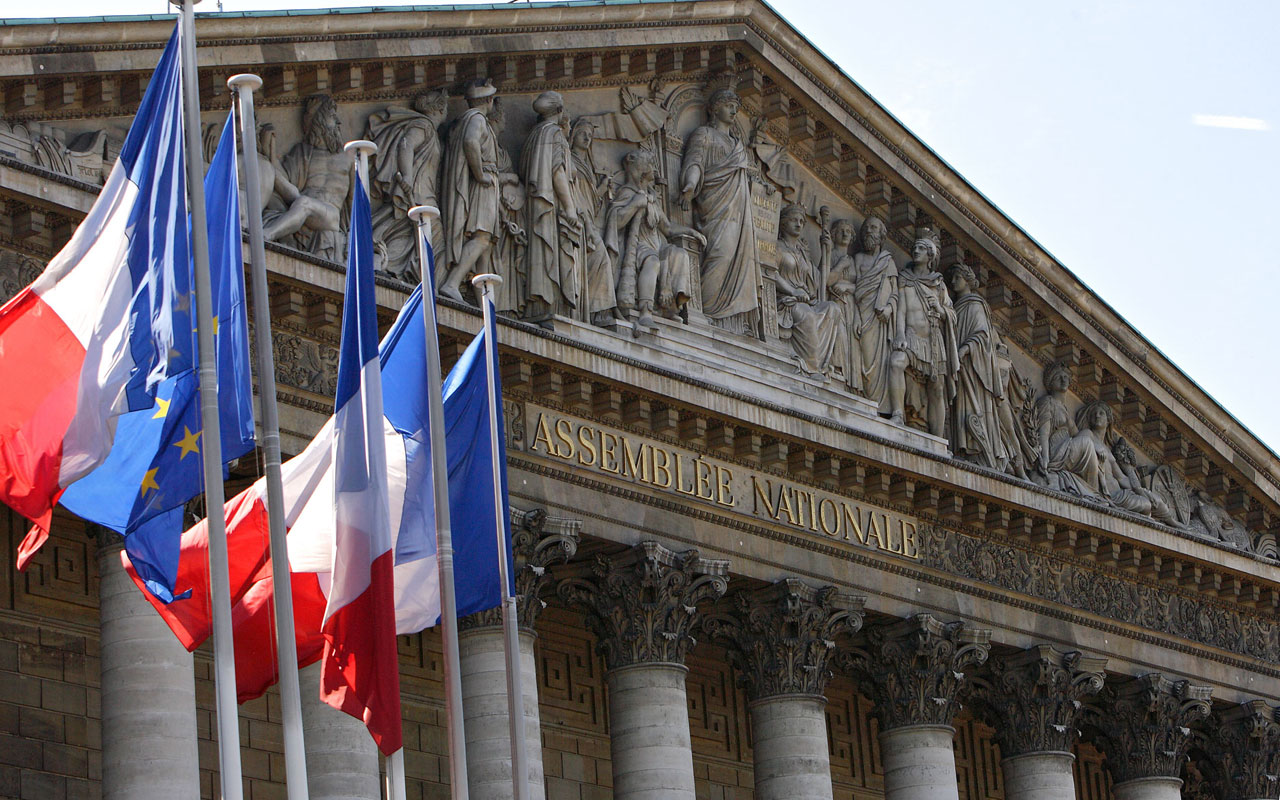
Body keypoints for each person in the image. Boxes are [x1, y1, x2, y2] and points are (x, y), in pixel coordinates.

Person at [678, 88, 761, 335]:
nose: (734, 109)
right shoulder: (704, 134)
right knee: (721, 254)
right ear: (714, 108)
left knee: (741, 259)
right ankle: (709, 312)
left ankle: (732, 320)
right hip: (714, 208)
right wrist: (690, 186)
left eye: (736, 105)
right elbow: (695, 163)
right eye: (728, 104)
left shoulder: (738, 146)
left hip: (739, 213)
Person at [604, 149, 701, 333]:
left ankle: (671, 306)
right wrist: (635, 204)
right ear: (641, 170)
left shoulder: (653, 199)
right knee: (653, 261)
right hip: (637, 247)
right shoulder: (628, 192)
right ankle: (646, 312)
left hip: (657, 245)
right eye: (650, 164)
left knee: (679, 254)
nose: (653, 168)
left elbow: (668, 228)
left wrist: (691, 231)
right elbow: (616, 220)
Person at [365, 90, 447, 280]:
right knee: (434, 242)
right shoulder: (424, 125)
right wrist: (407, 178)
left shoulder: (432, 132)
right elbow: (406, 144)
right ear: (439, 108)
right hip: (418, 194)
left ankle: (383, 262)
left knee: (405, 234)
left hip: (424, 194)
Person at [887, 228, 957, 436]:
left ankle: (938, 438)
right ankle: (898, 414)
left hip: (933, 340)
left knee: (936, 388)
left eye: (920, 248)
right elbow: (901, 310)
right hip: (910, 335)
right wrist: (899, 334)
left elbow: (952, 315)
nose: (915, 250)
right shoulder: (905, 278)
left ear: (930, 255)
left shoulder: (938, 284)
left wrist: (940, 308)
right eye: (914, 247)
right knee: (896, 362)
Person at [264, 94, 350, 261]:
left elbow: (355, 200)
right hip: (302, 210)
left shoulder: (348, 158)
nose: (339, 122)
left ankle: (267, 234)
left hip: (331, 216)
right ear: (319, 122)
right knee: (283, 199)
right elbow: (285, 182)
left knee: (305, 203)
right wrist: (271, 152)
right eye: (332, 117)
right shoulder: (303, 153)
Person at [521, 91, 581, 324]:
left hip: (536, 205)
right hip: (551, 207)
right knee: (551, 253)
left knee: (541, 251)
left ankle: (540, 300)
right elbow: (557, 171)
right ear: (559, 111)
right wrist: (570, 207)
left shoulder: (534, 135)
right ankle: (550, 303)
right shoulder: (555, 134)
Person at [440, 79, 501, 303]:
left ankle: (485, 304)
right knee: (482, 237)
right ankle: (452, 282)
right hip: (482, 185)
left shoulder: (467, 120)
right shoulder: (477, 119)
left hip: (485, 184)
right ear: (489, 100)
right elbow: (470, 142)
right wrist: (480, 174)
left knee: (486, 245)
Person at [947, 262, 1009, 470]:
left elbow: (982, 335)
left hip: (974, 369)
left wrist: (965, 349)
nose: (953, 281)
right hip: (960, 365)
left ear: (967, 280)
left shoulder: (975, 305)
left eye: (957, 277)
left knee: (974, 407)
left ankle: (978, 450)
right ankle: (963, 446)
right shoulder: (957, 307)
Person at [773, 204, 847, 377]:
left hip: (806, 298)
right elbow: (771, 273)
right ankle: (812, 368)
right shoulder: (778, 247)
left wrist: (827, 252)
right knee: (806, 315)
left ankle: (822, 363)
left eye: (801, 221)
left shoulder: (802, 253)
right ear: (783, 223)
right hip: (785, 300)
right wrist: (792, 291)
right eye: (794, 220)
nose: (799, 224)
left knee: (833, 309)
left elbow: (818, 278)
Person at [568, 118, 617, 325]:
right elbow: (573, 193)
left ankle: (598, 311)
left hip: (588, 218)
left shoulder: (587, 166)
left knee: (601, 258)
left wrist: (602, 189)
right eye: (582, 134)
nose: (587, 138)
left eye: (590, 134)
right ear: (573, 136)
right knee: (600, 257)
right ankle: (597, 312)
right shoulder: (569, 160)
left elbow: (590, 199)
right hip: (578, 219)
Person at [486, 98, 528, 316]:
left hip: (507, 213)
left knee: (506, 262)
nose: (505, 121)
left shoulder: (499, 148)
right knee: (496, 259)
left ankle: (506, 305)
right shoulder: (488, 144)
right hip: (493, 212)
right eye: (503, 117)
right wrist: (511, 177)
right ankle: (498, 305)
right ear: (496, 118)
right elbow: (487, 177)